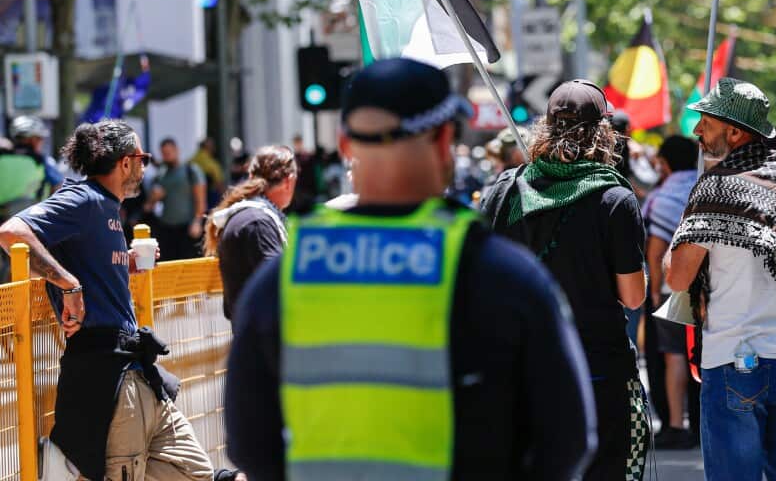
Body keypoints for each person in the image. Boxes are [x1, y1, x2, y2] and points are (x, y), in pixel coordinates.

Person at [226, 58, 596, 480]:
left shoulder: (285, 280)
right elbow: (567, 439)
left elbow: (248, 445)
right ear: (443, 139)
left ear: (346, 145)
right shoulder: (505, 276)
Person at [0, 120, 234, 481]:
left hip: (140, 375)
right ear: (125, 162)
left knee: (204, 476)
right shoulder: (84, 199)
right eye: (142, 157)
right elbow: (11, 232)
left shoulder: (107, 208)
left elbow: (91, 266)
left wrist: (125, 264)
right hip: (111, 379)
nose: (145, 166)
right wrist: (68, 284)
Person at [665, 78, 776, 481]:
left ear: (735, 131)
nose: (696, 133)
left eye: (705, 124)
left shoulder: (717, 187)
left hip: (733, 362)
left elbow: (677, 277)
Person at [479, 79, 649, 481]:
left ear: (545, 128)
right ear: (604, 132)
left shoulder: (504, 191)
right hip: (597, 369)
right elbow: (634, 296)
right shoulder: (614, 199)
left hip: (520, 370)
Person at [643, 134, 701, 450]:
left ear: (665, 163)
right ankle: (701, 422)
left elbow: (655, 251)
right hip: (708, 288)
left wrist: (653, 291)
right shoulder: (705, 187)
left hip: (670, 287)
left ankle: (677, 423)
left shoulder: (662, 197)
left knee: (675, 356)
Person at [203, 145, 297, 321]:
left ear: (251, 176)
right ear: (289, 181)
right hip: (263, 340)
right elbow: (280, 288)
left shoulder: (253, 218)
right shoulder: (258, 222)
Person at [144, 138, 207, 261]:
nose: (167, 156)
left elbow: (200, 199)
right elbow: (149, 204)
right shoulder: (161, 174)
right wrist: (154, 198)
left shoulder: (191, 170)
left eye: (169, 152)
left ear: (176, 150)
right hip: (166, 229)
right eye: (164, 153)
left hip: (187, 229)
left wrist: (197, 221)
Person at [188, 138, 227, 210]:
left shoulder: (191, 160)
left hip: (191, 197)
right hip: (209, 197)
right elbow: (219, 183)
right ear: (210, 147)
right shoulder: (212, 164)